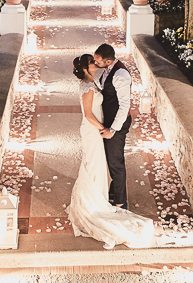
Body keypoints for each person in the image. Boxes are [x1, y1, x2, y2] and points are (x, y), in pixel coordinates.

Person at [66, 54, 154, 249]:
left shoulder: (93, 83)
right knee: (94, 164)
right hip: (92, 130)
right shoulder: (88, 88)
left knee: (97, 164)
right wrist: (103, 129)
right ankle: (94, 202)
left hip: (96, 129)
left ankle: (99, 196)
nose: (95, 64)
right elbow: (88, 115)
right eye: (92, 62)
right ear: (86, 69)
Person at [93, 43, 131, 208]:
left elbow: (124, 106)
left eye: (98, 61)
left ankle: (121, 203)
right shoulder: (108, 71)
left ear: (108, 61)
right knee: (111, 161)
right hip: (109, 119)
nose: (96, 64)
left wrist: (113, 129)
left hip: (117, 124)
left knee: (116, 164)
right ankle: (113, 194)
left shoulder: (120, 75)